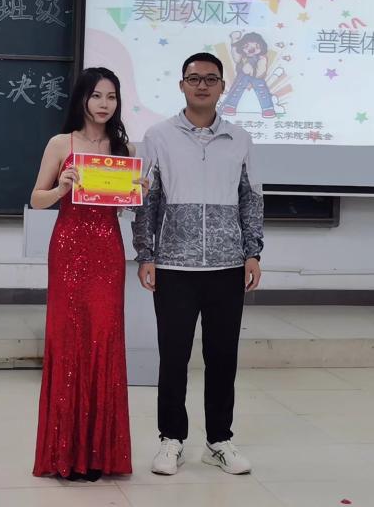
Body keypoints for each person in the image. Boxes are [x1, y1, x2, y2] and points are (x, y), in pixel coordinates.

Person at [133, 52, 264, 476]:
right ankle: (171, 440)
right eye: (194, 78)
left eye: (210, 79)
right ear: (182, 85)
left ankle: (218, 441)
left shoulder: (240, 138)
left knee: (222, 357)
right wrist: (146, 254)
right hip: (174, 267)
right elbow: (147, 200)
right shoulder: (158, 136)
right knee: (173, 357)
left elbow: (250, 198)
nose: (202, 85)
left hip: (227, 266)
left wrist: (252, 252)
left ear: (223, 86)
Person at [30, 67, 134, 481]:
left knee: (104, 340)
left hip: (108, 252)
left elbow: (123, 206)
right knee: (69, 341)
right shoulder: (61, 143)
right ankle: (65, 454)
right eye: (96, 96)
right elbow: (37, 199)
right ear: (82, 99)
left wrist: (136, 192)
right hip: (69, 249)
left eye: (111, 97)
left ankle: (99, 455)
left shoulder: (122, 148)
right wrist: (61, 188)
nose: (104, 104)